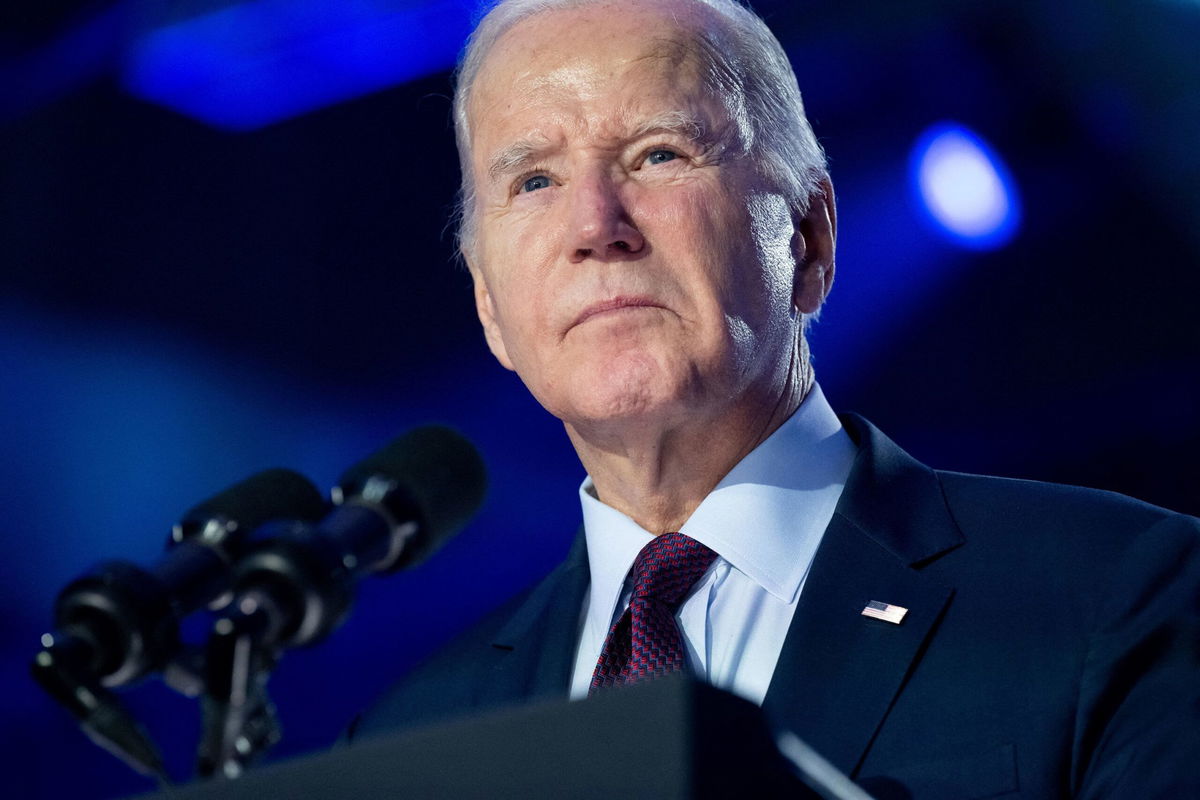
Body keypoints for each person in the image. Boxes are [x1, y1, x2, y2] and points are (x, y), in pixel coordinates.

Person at [349, 0, 1200, 795]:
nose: (595, 225)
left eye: (659, 154)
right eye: (534, 181)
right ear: (489, 308)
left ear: (809, 237)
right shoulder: (409, 739)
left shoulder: (1116, 597)